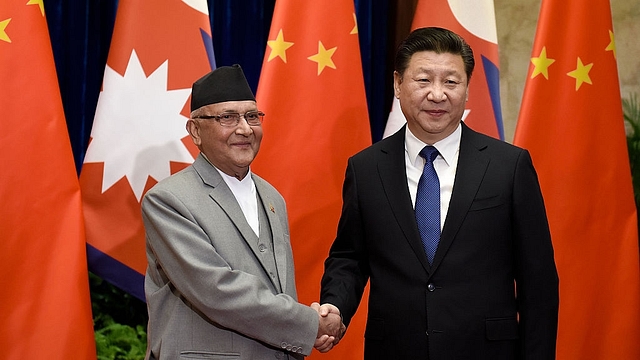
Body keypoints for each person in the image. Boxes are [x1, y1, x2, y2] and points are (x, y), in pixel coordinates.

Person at [318, 27, 559, 359]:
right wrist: (336, 305)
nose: (437, 94)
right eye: (423, 80)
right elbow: (350, 258)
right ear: (397, 85)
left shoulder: (509, 166)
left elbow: (538, 283)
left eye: (451, 82)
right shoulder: (366, 168)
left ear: (467, 89)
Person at [142, 64, 343, 360]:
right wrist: (310, 324)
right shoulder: (168, 200)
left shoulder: (272, 196)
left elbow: (276, 287)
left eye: (252, 116)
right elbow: (215, 290)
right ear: (195, 130)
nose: (245, 129)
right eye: (228, 117)